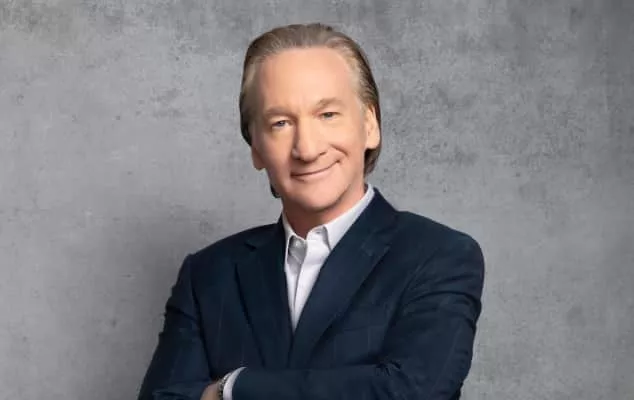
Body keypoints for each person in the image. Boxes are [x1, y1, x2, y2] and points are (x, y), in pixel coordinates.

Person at [138, 22, 485, 400]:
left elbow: (411, 392)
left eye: (328, 115)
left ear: (370, 126)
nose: (307, 148)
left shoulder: (438, 256)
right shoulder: (208, 274)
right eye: (281, 123)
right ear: (256, 148)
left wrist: (231, 387)